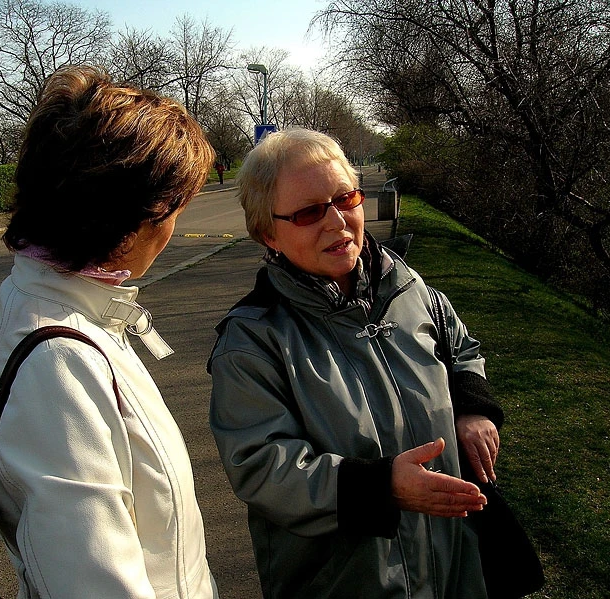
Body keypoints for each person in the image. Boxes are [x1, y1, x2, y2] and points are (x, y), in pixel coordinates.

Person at [208, 128, 504, 598]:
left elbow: (460, 346)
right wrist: (380, 488)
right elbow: (262, 465)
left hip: (454, 565)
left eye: (345, 199)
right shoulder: (252, 340)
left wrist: (473, 407)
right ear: (268, 233)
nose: (337, 223)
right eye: (308, 212)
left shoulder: (406, 285)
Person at [0, 64, 219, 598]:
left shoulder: (69, 314)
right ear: (128, 218)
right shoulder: (57, 362)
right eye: (175, 208)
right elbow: (94, 582)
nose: (173, 227)